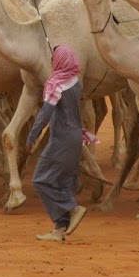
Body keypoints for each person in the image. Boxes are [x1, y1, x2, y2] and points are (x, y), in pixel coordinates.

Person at [26, 45, 87, 242]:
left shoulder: (55, 83)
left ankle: (73, 208)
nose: (52, 62)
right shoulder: (76, 82)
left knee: (41, 179)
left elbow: (45, 113)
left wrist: (32, 135)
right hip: (76, 138)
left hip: (62, 140)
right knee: (63, 183)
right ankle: (59, 230)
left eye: (54, 59)